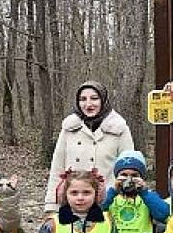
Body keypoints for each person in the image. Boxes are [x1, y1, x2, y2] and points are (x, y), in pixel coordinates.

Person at [44, 81, 134, 214]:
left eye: (94, 98)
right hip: (72, 202)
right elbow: (57, 168)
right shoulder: (69, 128)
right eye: (83, 99)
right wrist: (51, 206)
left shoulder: (119, 129)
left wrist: (127, 201)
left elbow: (130, 169)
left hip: (109, 205)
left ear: (103, 100)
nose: (88, 104)